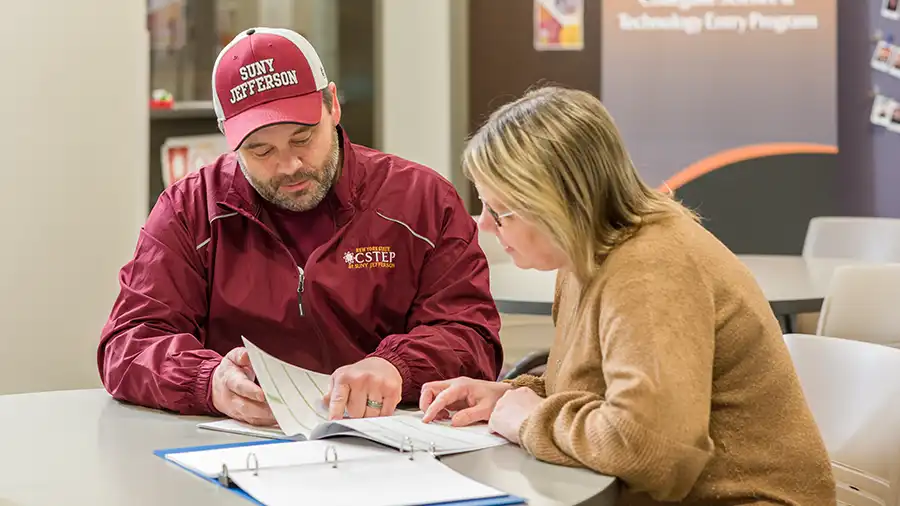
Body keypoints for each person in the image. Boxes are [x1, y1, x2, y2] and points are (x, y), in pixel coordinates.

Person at [419, 86, 836, 505]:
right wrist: (511, 395)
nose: (486, 228)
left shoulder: (653, 268)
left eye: (499, 211)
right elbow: (600, 389)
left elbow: (648, 451)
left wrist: (532, 419)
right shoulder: (588, 255)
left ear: (554, 204)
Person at [98, 27, 502, 427]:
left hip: (390, 441)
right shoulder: (190, 209)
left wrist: (396, 367)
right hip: (238, 449)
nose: (289, 165)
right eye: (261, 150)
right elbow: (128, 342)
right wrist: (208, 382)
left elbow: (472, 334)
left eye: (303, 138)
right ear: (228, 138)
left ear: (332, 105)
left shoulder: (421, 200)